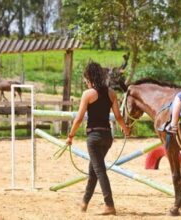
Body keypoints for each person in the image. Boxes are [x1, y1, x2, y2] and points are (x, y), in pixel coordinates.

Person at [65, 62, 130, 215]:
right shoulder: (111, 93)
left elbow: (79, 118)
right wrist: (126, 129)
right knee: (94, 170)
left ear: (89, 77)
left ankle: (109, 204)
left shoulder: (88, 94)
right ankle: (84, 202)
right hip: (107, 136)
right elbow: (118, 116)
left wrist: (70, 136)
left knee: (99, 171)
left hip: (93, 137)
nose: (85, 81)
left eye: (85, 78)